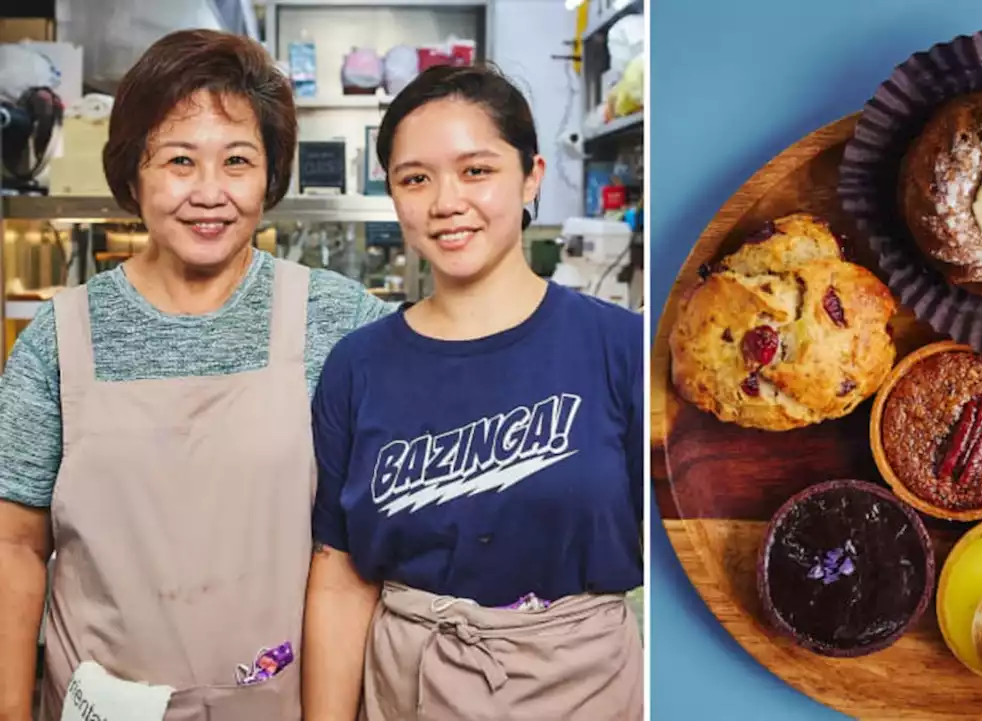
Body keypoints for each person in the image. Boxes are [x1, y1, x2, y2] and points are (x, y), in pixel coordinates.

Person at [0, 30, 396, 721]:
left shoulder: (338, 321)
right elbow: (14, 547)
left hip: (286, 701)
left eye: (237, 161)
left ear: (270, 175)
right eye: (179, 160)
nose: (209, 193)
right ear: (132, 174)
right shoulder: (57, 341)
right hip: (101, 702)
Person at [302, 64, 644, 721]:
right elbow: (342, 582)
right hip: (411, 688)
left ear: (532, 176)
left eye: (476, 170)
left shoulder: (618, 348)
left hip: (586, 690)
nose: (445, 201)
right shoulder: (358, 367)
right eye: (415, 178)